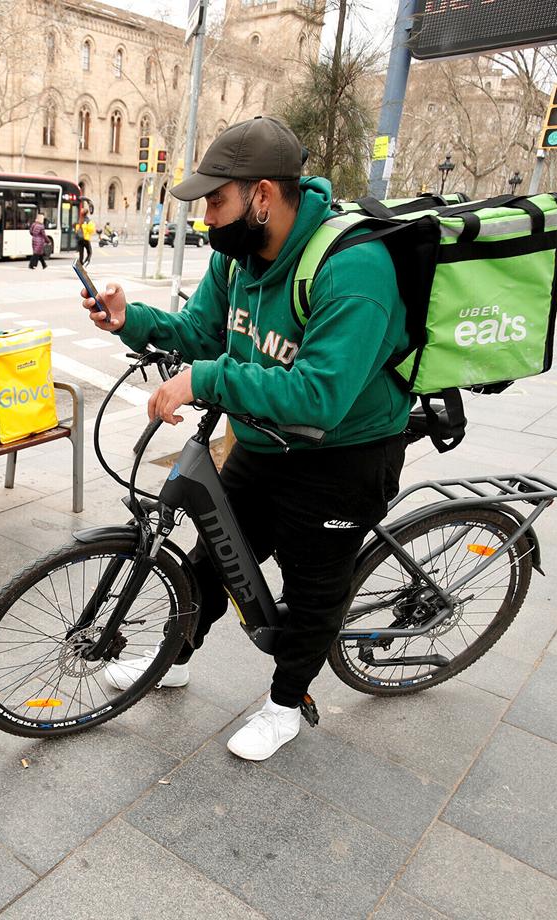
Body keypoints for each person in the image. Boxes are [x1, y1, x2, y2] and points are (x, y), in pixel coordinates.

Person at [84, 116, 409, 763]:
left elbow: (319, 395)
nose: (206, 216)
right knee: (214, 556)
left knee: (314, 589)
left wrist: (205, 379)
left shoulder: (353, 267)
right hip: (262, 445)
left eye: (215, 200)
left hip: (341, 457)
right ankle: (173, 658)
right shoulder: (239, 261)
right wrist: (131, 320)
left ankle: (286, 705)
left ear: (262, 196)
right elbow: (203, 330)